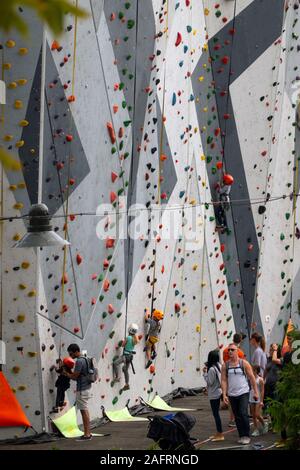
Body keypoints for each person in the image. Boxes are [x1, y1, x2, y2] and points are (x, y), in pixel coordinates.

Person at [221, 343, 259, 445]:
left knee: (243, 413)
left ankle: (246, 435)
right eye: (229, 350)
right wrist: (224, 394)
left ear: (237, 351)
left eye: (232, 350)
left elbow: (252, 378)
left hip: (243, 392)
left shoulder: (244, 363)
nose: (230, 352)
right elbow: (224, 380)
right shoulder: (225, 365)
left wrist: (255, 392)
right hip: (232, 394)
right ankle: (241, 435)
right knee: (236, 416)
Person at [64, 344, 93, 440]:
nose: (70, 356)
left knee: (83, 412)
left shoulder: (79, 361)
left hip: (82, 390)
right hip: (87, 388)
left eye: (71, 353)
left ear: (76, 351)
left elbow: (74, 377)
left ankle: (87, 435)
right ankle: (88, 433)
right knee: (85, 410)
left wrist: (65, 373)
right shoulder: (86, 358)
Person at [223, 333, 246, 426]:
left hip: (228, 374)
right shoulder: (240, 352)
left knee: (230, 397)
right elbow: (242, 365)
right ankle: (237, 417)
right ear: (240, 340)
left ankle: (231, 418)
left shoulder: (225, 350)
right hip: (237, 376)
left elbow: (224, 363)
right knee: (239, 396)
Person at [203, 350, 224, 441]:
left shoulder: (211, 369)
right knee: (216, 414)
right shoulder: (219, 366)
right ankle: (218, 433)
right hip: (218, 391)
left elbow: (210, 382)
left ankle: (220, 434)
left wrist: (204, 373)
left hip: (214, 394)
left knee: (216, 414)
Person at [112, 323, 139, 391]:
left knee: (115, 363)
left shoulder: (128, 337)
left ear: (129, 329)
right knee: (125, 370)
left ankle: (117, 377)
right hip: (130, 357)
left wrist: (123, 341)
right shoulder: (135, 339)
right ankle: (127, 384)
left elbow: (123, 345)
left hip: (125, 356)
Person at [249, 365, 266, 436]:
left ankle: (264, 424)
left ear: (256, 371)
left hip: (258, 398)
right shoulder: (250, 378)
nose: (252, 371)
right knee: (253, 415)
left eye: (253, 370)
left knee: (257, 414)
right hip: (251, 397)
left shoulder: (260, 379)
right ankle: (256, 429)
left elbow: (262, 391)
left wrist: (261, 401)